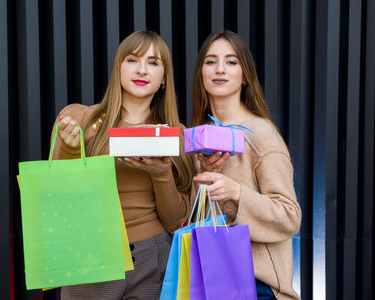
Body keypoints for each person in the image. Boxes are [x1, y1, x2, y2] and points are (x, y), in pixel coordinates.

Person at [52, 30, 195, 300]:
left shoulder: (176, 135)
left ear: (164, 79)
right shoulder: (79, 120)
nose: (142, 69)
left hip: (153, 257)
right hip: (90, 256)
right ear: (118, 68)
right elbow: (59, 200)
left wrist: (161, 171)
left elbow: (177, 222)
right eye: (133, 60)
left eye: (153, 62)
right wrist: (71, 149)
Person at [191, 31, 302, 300]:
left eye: (231, 62)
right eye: (210, 61)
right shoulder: (199, 137)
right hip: (211, 281)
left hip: (256, 287)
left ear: (245, 76)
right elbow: (197, 219)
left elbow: (290, 216)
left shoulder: (260, 134)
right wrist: (210, 174)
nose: (220, 69)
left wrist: (237, 193)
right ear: (201, 74)